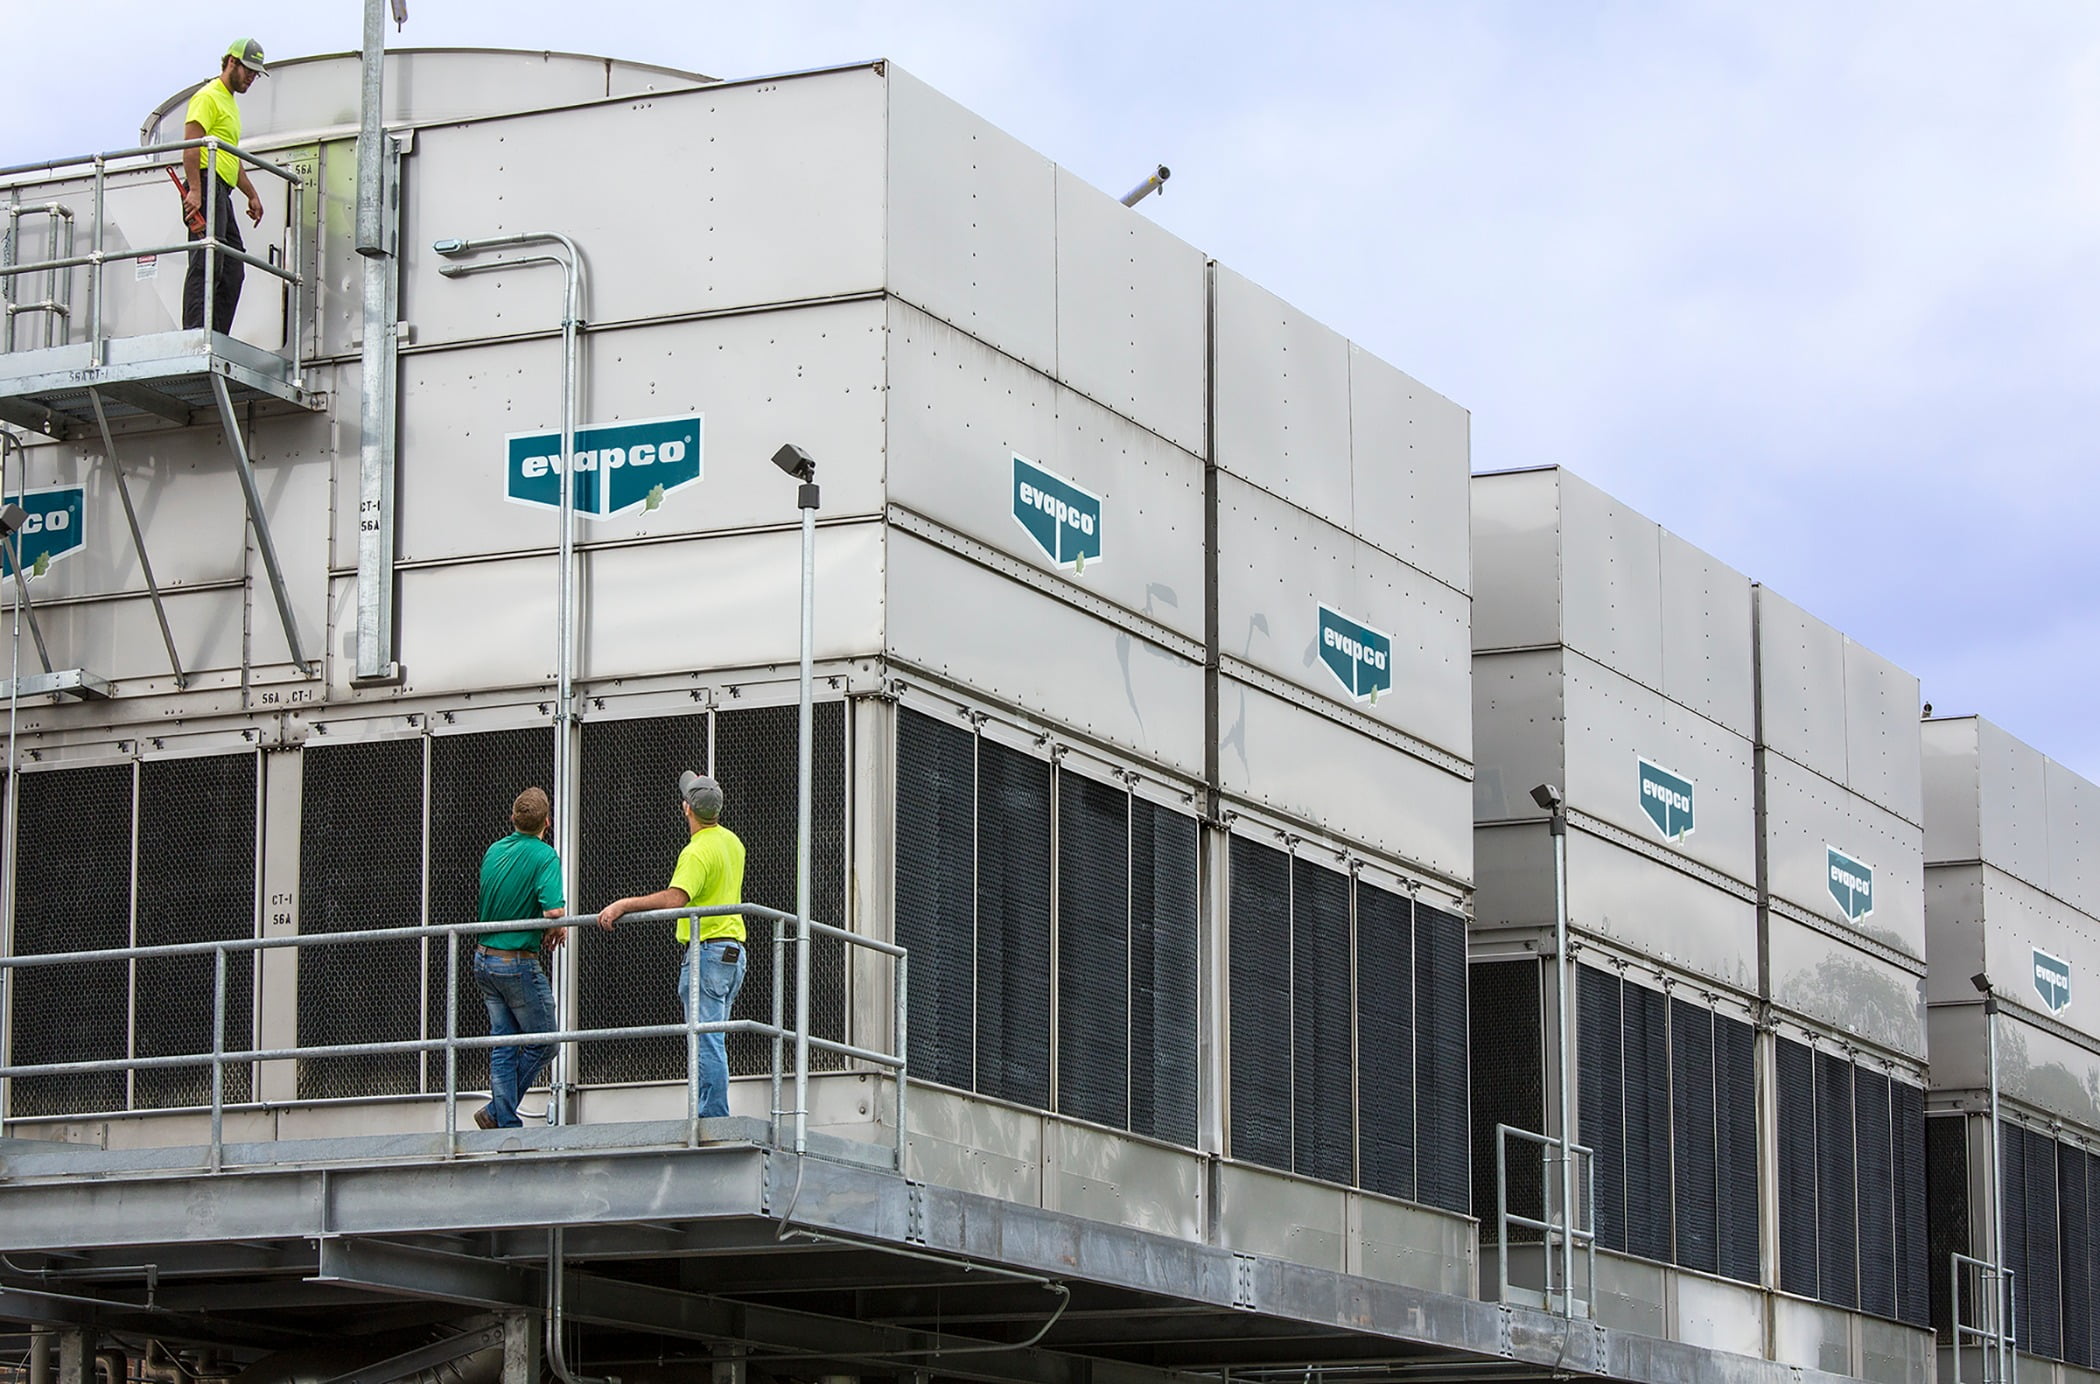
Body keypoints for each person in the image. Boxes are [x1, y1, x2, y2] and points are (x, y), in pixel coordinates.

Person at [595, 772, 747, 1118]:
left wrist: (623, 904)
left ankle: (712, 1118)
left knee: (705, 1040)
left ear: (686, 809)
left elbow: (675, 899)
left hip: (708, 952)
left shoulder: (696, 852)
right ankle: (708, 1112)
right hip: (733, 952)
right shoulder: (733, 842)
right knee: (714, 1037)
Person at [471, 786, 567, 1130]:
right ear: (548, 822)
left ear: (513, 818)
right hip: (515, 962)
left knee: (504, 1042)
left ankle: (504, 1119)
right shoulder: (544, 855)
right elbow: (554, 910)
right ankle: (499, 1112)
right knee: (545, 1043)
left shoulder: (495, 850)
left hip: (483, 958)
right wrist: (559, 926)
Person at [180, 39, 268, 334]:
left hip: (222, 189)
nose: (251, 78)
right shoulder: (208, 97)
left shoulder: (229, 103)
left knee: (232, 268)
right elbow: (191, 145)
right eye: (249, 71)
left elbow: (230, 157)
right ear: (232, 62)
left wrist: (251, 194)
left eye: (256, 74)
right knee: (207, 259)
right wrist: (194, 190)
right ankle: (195, 333)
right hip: (205, 184)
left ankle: (216, 334)